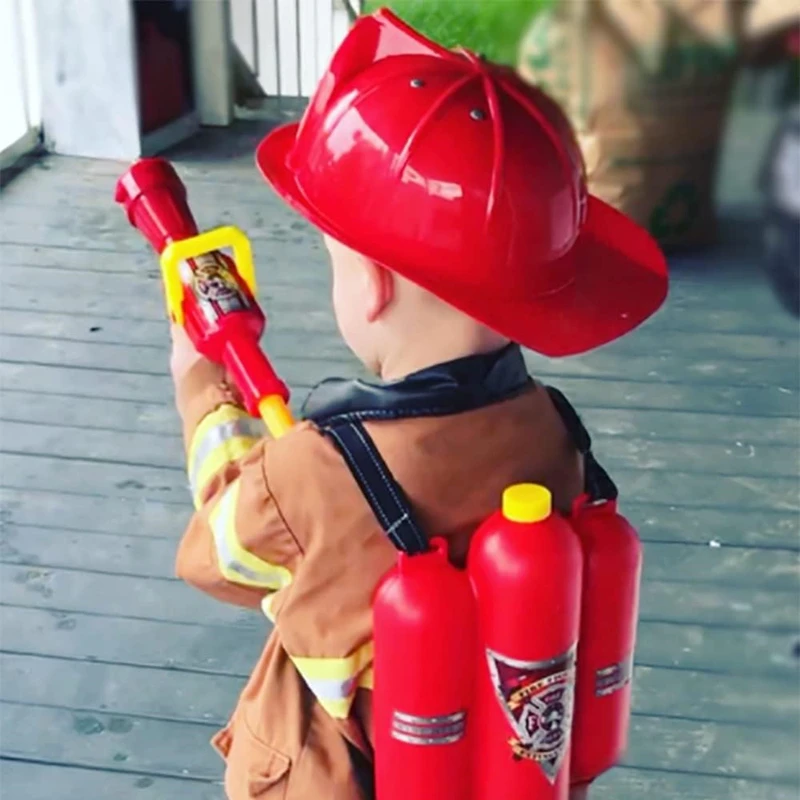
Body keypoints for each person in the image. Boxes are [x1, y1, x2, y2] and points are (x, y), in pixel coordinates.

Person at [169, 9, 668, 800]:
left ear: (371, 285)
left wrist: (202, 380)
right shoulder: (552, 429)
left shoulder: (311, 468)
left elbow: (214, 556)